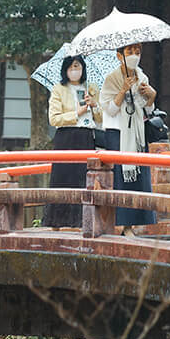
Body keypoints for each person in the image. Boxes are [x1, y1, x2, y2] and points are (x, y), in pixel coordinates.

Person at [101, 42, 160, 235]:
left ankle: (136, 223)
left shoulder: (142, 77)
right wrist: (123, 90)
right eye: (129, 52)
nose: (134, 55)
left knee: (139, 179)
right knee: (122, 179)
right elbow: (110, 109)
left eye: (137, 52)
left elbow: (147, 109)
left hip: (137, 133)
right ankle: (124, 226)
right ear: (120, 56)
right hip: (117, 133)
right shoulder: (111, 79)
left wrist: (152, 96)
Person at [43, 55, 102, 228]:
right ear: (65, 70)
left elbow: (100, 118)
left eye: (77, 66)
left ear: (83, 68)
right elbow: (54, 119)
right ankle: (57, 221)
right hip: (66, 137)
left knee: (83, 179)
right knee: (62, 178)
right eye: (71, 67)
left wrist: (94, 105)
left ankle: (81, 221)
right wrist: (76, 113)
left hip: (86, 137)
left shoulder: (91, 88)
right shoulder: (59, 89)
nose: (74, 70)